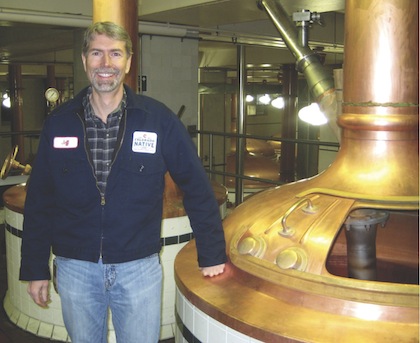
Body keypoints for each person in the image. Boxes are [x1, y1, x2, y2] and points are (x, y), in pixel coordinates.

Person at [19, 21, 226, 343]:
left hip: (138, 268)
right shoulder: (59, 123)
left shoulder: (158, 120)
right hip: (75, 267)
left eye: (115, 54)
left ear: (128, 62)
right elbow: (40, 200)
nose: (106, 64)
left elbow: (197, 187)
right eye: (97, 53)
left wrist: (211, 254)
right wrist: (34, 268)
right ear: (85, 60)